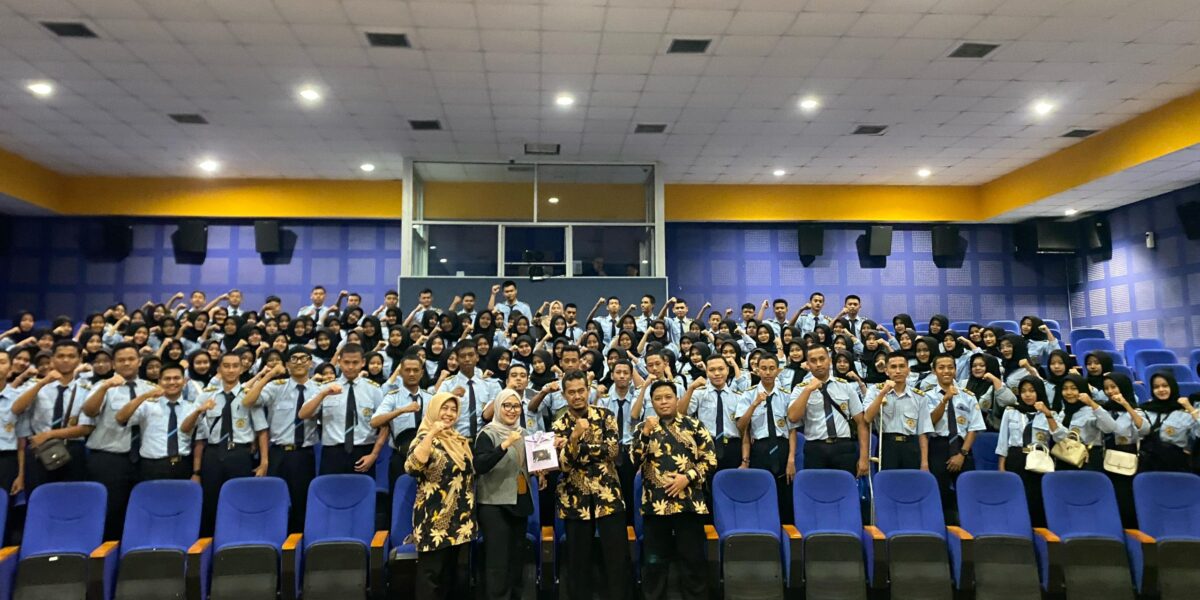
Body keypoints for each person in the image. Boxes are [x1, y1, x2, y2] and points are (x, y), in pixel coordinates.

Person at [630, 380, 716, 600]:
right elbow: (633, 460)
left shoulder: (694, 425)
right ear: (652, 402)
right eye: (658, 398)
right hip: (656, 506)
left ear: (677, 399)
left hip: (689, 504)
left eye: (668, 397)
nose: (663, 402)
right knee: (654, 565)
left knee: (693, 562)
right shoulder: (643, 428)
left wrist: (687, 477)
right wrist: (646, 433)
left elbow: (710, 460)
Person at [552, 370, 630, 600]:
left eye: (581, 390)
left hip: (608, 495)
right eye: (571, 392)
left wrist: (573, 444)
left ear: (588, 390)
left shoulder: (606, 416)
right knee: (578, 563)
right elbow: (564, 465)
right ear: (564, 395)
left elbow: (612, 451)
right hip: (574, 498)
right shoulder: (559, 423)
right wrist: (575, 437)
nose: (577, 396)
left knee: (617, 560)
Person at [80, 342, 156, 541]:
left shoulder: (151, 389)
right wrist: (105, 387)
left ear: (139, 361)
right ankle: (106, 552)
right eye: (121, 360)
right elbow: (89, 411)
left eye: (131, 359)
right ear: (113, 364)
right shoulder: (102, 386)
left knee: (142, 510)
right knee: (110, 511)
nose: (127, 363)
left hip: (143, 459)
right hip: (109, 458)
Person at [190, 352, 270, 536]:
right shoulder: (207, 396)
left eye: (235, 366)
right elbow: (198, 434)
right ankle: (208, 542)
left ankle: (240, 539)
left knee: (241, 499)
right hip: (213, 454)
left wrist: (264, 461)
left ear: (241, 369)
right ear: (219, 369)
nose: (231, 370)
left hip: (239, 454)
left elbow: (262, 430)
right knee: (211, 502)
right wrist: (197, 470)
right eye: (226, 366)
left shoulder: (249, 395)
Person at [406, 392, 476, 600]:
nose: (449, 413)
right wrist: (431, 434)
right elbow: (412, 467)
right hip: (433, 519)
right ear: (434, 410)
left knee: (454, 578)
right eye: (444, 408)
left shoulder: (458, 439)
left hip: (461, 519)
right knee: (431, 577)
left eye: (453, 409)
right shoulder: (423, 438)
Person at [242, 346, 320, 533]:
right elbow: (248, 401)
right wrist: (269, 375)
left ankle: (297, 542)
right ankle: (272, 538)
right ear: (286, 365)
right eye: (294, 358)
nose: (299, 362)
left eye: (303, 358)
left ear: (310, 363)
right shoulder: (276, 387)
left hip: (304, 454)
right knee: (274, 502)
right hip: (278, 454)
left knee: (302, 503)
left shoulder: (319, 389)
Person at [474, 388, 536, 600]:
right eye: (506, 406)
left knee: (516, 559)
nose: (512, 410)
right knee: (497, 562)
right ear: (498, 408)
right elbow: (480, 465)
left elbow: (528, 463)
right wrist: (504, 445)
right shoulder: (487, 434)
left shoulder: (524, 433)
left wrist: (541, 469)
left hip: (519, 501)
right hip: (493, 504)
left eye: (516, 406)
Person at [12, 340, 91, 492]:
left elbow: (85, 428)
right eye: (60, 356)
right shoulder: (35, 385)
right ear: (52, 359)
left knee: (70, 496)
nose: (66, 360)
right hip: (39, 450)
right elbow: (17, 409)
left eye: (71, 356)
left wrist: (49, 435)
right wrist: (42, 383)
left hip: (72, 449)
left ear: (79, 359)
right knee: (38, 495)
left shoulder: (87, 389)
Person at [299, 343, 386, 475]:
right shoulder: (325, 387)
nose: (350, 367)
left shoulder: (374, 389)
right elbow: (303, 414)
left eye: (355, 362)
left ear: (363, 362)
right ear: (339, 362)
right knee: (329, 488)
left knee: (362, 487)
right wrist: (323, 394)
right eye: (346, 362)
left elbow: (385, 425)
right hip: (332, 452)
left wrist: (374, 454)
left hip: (363, 451)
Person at [786, 345, 870, 476]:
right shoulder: (800, 389)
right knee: (817, 487)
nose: (818, 364)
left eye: (822, 359)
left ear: (829, 360)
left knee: (844, 486)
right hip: (815, 449)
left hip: (843, 448)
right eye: (813, 361)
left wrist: (864, 457)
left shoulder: (845, 386)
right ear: (808, 364)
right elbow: (793, 417)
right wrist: (808, 390)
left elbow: (861, 423)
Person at [735, 354, 796, 523]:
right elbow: (741, 427)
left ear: (778, 370)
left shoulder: (786, 395)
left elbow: (792, 430)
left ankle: (786, 531)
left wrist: (791, 459)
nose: (768, 372)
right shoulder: (748, 395)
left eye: (771, 368)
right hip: (760, 449)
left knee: (785, 497)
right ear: (757, 370)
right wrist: (754, 404)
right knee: (760, 492)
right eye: (763, 368)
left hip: (782, 448)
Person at [996, 376, 1064, 527]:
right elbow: (1003, 441)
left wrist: (1047, 414)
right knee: (1016, 498)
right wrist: (1001, 466)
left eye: (1032, 391)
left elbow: (1060, 437)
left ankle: (1039, 531)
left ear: (1039, 392)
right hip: (1016, 458)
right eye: (1023, 391)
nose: (1027, 395)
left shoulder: (1050, 414)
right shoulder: (1011, 411)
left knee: (1036, 501)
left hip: (1039, 461)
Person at [925, 354, 985, 524]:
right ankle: (942, 526)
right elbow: (929, 422)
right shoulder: (927, 396)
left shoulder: (968, 396)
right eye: (941, 367)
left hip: (963, 447)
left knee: (968, 492)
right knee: (940, 492)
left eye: (950, 367)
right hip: (938, 446)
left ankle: (969, 528)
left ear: (956, 370)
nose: (946, 371)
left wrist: (962, 454)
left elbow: (974, 427)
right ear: (934, 371)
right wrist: (944, 400)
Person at [115, 363, 200, 482]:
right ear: (159, 382)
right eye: (167, 379)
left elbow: (199, 441)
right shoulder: (147, 405)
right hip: (152, 466)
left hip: (183, 464)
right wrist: (144, 396)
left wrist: (196, 472)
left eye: (176, 378)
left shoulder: (193, 408)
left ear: (184, 381)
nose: (172, 382)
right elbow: (120, 418)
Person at [863, 352, 933, 471]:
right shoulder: (875, 391)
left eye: (902, 366)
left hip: (911, 446)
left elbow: (923, 432)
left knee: (911, 480)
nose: (898, 371)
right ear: (886, 371)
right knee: (887, 480)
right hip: (886, 445)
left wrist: (924, 462)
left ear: (908, 370)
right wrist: (883, 393)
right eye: (893, 367)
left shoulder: (919, 397)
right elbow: (867, 418)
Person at [372, 353, 431, 492]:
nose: (411, 374)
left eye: (415, 370)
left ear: (422, 373)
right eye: (407, 370)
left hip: (428, 456)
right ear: (400, 372)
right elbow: (374, 422)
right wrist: (401, 410)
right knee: (398, 496)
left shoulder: (430, 398)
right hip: (400, 456)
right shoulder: (392, 398)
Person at [680, 354, 743, 473]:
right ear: (706, 372)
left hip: (732, 447)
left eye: (721, 369)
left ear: (727, 370)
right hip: (706, 446)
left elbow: (743, 428)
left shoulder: (738, 396)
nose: (717, 373)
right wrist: (691, 388)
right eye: (712, 370)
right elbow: (680, 413)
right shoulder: (698, 393)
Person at [598, 359, 639, 523]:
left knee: (631, 492)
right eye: (618, 372)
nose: (622, 376)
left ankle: (631, 526)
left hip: (631, 452)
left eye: (626, 373)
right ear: (612, 375)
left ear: (631, 376)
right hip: (609, 452)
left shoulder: (637, 399)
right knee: (610, 494)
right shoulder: (604, 400)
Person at [1138, 373, 1199, 473]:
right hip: (1148, 464)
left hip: (1177, 465)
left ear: (1172, 386)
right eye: (1156, 387)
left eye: (1165, 386)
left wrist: (1190, 408)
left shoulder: (1185, 411)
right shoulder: (1145, 409)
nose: (1161, 390)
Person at [437, 344, 498, 440]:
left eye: (471, 355)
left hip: (482, 440)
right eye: (462, 356)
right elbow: (435, 411)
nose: (467, 359)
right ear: (457, 359)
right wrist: (450, 396)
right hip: (454, 439)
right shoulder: (447, 385)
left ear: (477, 357)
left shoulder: (488, 386)